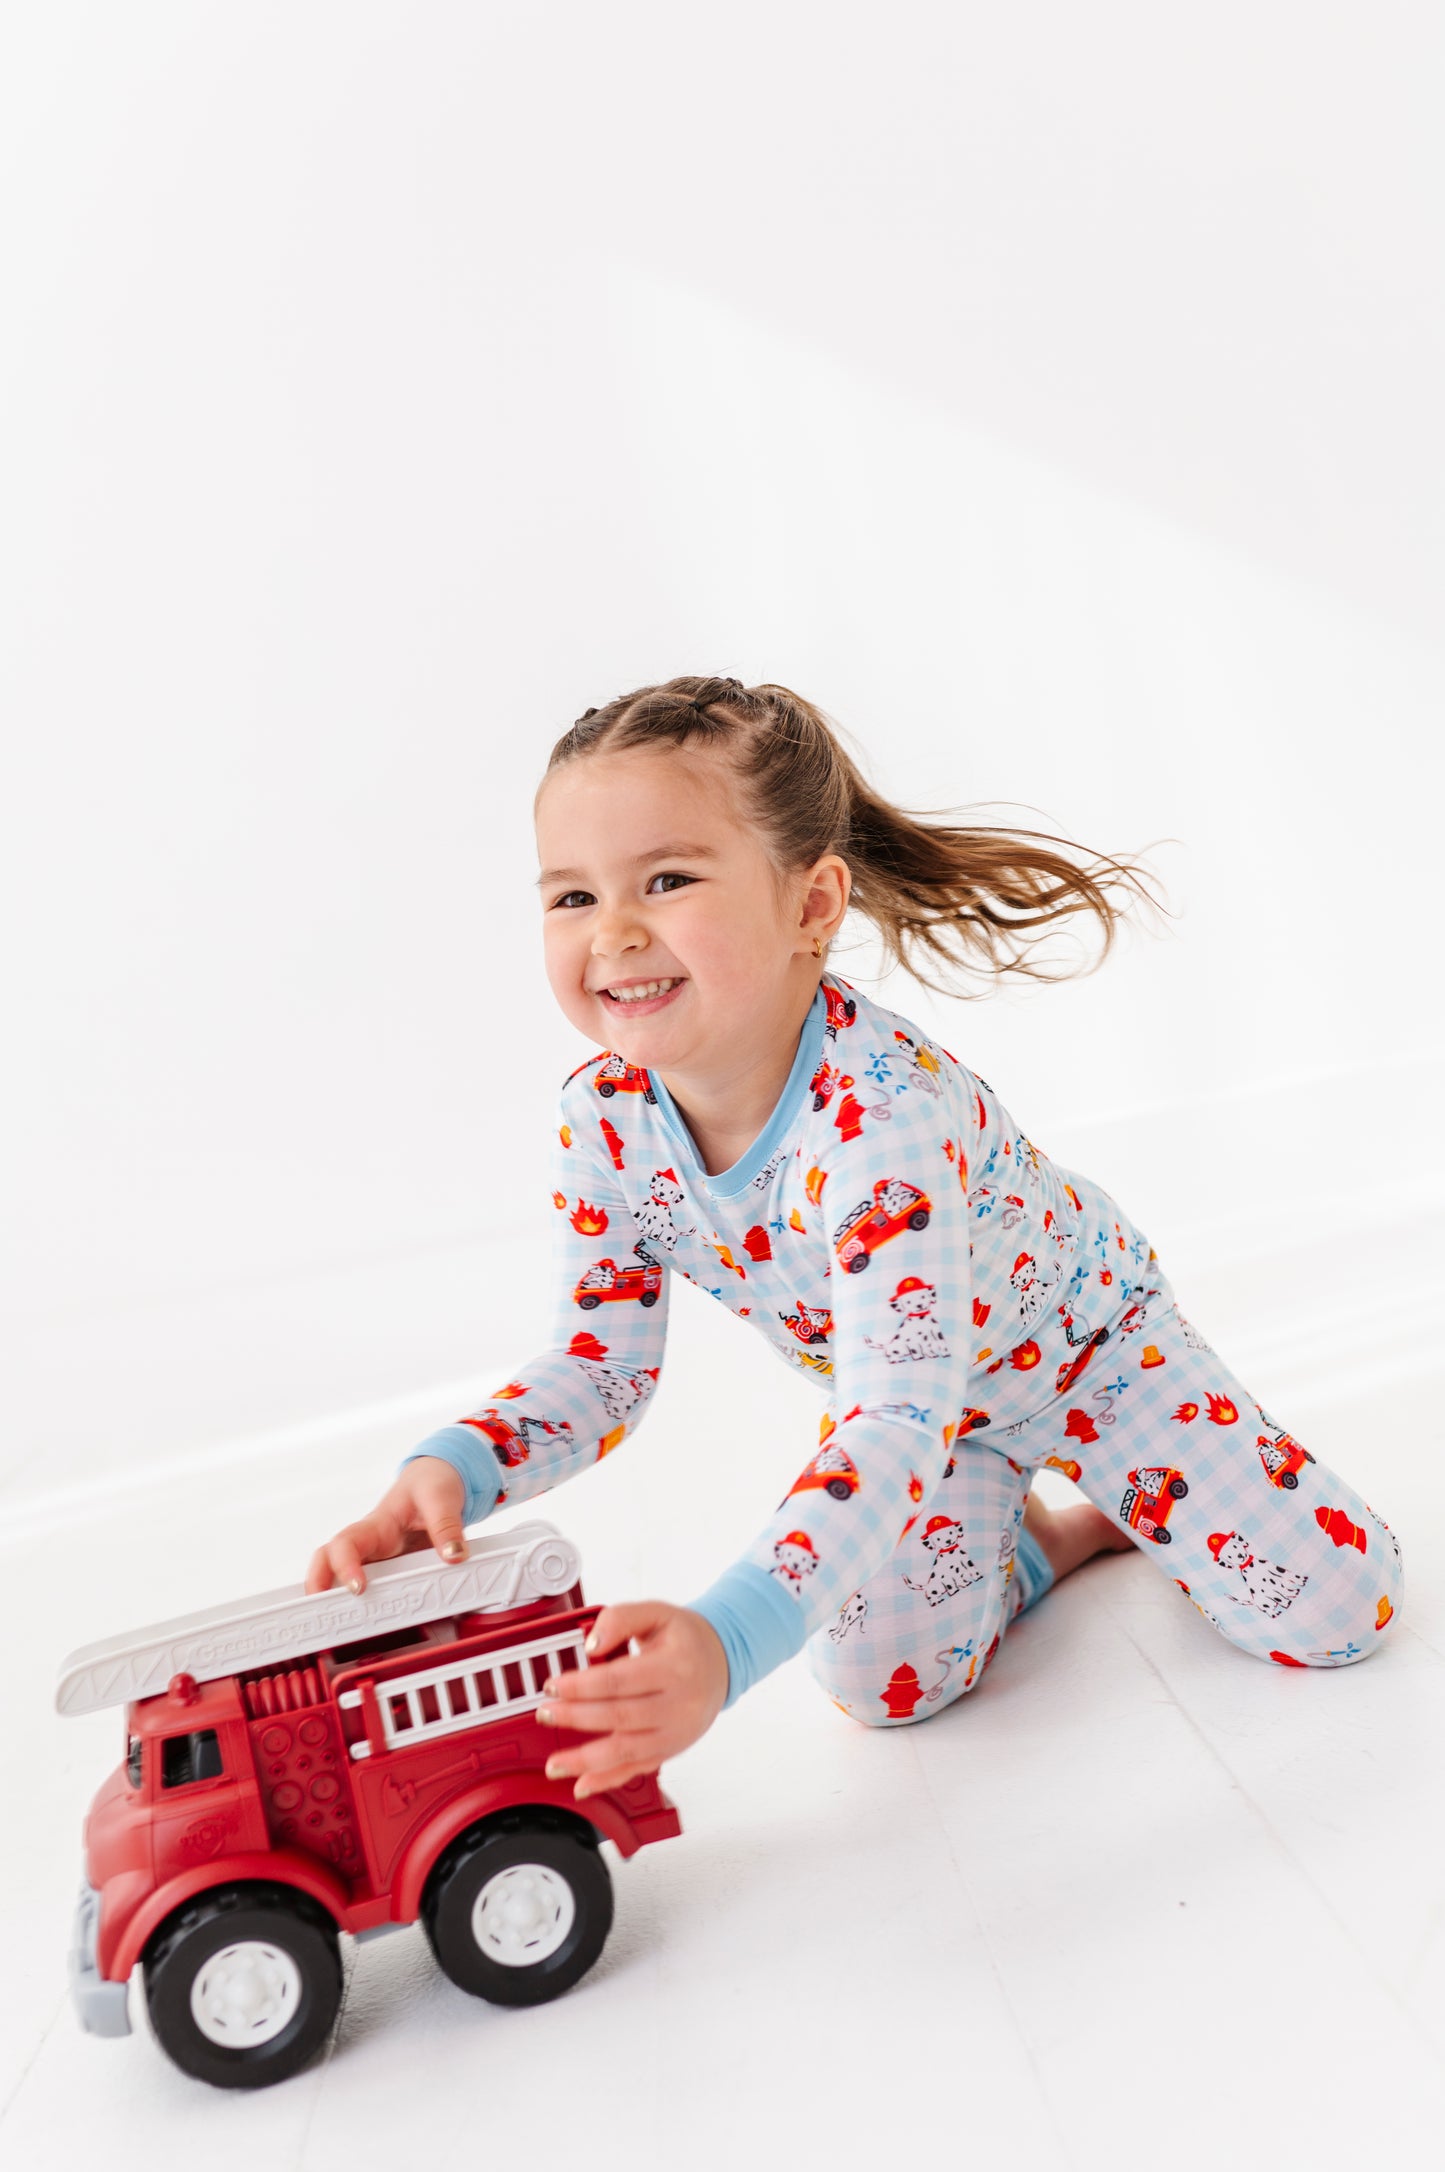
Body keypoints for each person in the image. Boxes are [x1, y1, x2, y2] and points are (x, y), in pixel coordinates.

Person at [305, 676, 1405, 1796]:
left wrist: (725, 1644)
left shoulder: (881, 1117)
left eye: (667, 880)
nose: (614, 932)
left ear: (812, 905)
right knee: (882, 1686)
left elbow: (890, 1418)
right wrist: (454, 1467)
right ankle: (1050, 1537)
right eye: (572, 897)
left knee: (1334, 1614)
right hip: (927, 1408)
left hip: (1093, 1353)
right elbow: (600, 1368)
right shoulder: (604, 1121)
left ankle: (1142, 1486)